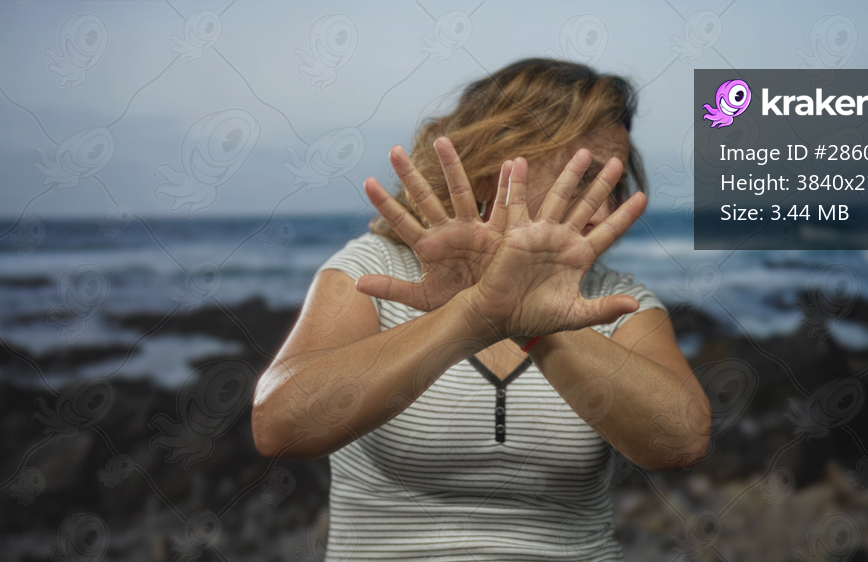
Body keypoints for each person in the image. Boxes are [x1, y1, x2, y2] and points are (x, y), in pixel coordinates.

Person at [252, 58, 711, 561]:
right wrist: (472, 315)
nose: (602, 211)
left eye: (612, 187)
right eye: (582, 179)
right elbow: (279, 425)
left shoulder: (616, 301)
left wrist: (536, 324)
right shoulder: (373, 270)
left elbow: (681, 441)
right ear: (496, 163)